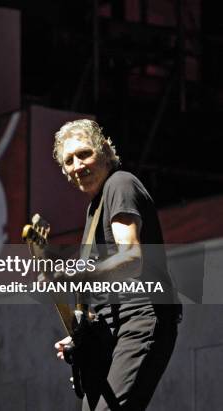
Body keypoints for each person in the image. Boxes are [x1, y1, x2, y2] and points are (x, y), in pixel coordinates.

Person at [51, 119, 180, 410]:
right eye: (69, 160)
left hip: (140, 320)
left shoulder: (119, 184)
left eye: (84, 154)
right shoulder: (94, 208)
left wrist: (80, 275)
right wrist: (81, 338)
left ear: (105, 151)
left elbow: (132, 258)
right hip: (113, 331)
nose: (77, 165)